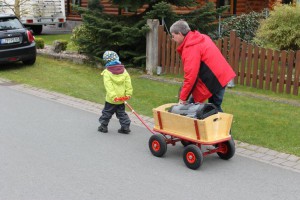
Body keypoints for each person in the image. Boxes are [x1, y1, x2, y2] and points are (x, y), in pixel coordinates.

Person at [170, 20, 236, 112]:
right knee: (213, 108)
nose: (173, 39)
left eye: (173, 36)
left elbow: (191, 76)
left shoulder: (191, 47)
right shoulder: (201, 37)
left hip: (215, 79)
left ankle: (223, 126)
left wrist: (182, 99)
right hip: (221, 75)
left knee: (208, 109)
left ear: (180, 34)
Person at [98, 51, 133, 134]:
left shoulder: (107, 72)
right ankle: (125, 127)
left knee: (107, 112)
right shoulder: (124, 71)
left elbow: (108, 86)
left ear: (106, 61)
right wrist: (128, 94)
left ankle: (103, 126)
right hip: (122, 97)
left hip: (112, 98)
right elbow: (128, 83)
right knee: (121, 113)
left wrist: (113, 96)